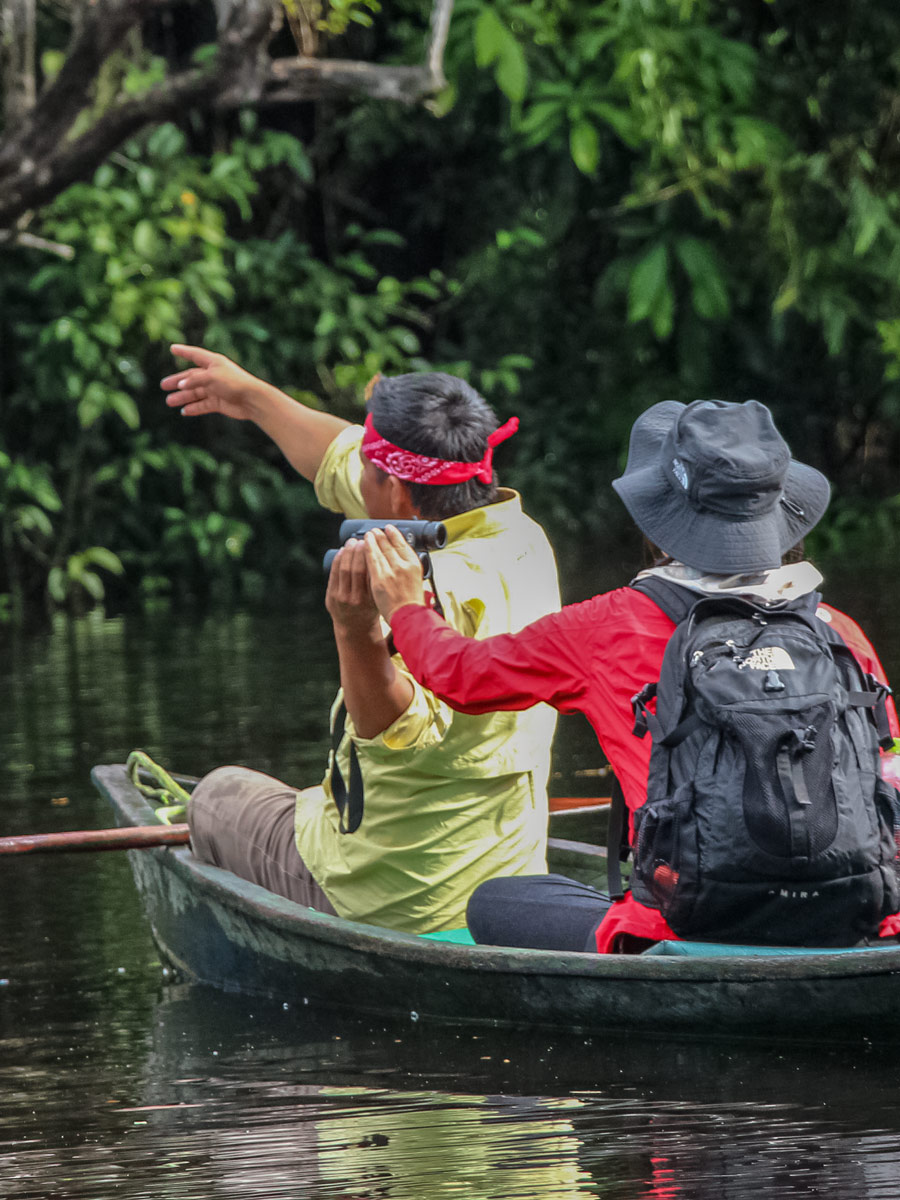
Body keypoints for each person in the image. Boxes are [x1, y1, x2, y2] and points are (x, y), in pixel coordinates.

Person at [362, 398, 900, 952]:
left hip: (676, 927)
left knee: (495, 901)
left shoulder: (610, 624)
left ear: (664, 527)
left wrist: (406, 606)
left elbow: (459, 676)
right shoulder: (838, 631)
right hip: (856, 918)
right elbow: (888, 779)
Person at [160, 345, 560, 934]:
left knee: (218, 794)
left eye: (371, 474)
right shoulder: (520, 535)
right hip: (509, 879)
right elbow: (344, 455)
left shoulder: (430, 589)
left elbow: (397, 728)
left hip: (397, 898)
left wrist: (355, 630)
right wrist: (251, 397)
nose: (358, 476)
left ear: (396, 493)